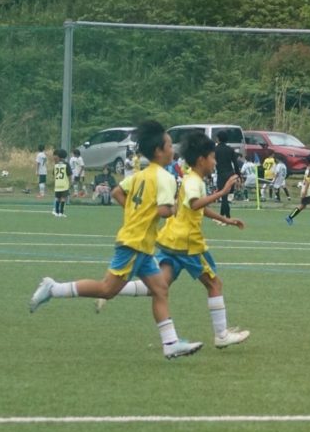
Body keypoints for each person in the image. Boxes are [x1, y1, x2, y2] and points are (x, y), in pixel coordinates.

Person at [28, 120, 204, 360]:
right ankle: (53, 288)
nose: (172, 150)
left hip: (139, 243)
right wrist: (174, 207)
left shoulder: (140, 175)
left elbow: (117, 192)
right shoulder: (165, 178)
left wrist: (134, 212)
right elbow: (164, 210)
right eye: (169, 145)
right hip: (135, 243)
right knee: (107, 290)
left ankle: (171, 343)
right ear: (158, 151)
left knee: (160, 289)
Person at [95, 132, 250, 348]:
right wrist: (223, 191)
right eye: (213, 158)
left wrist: (225, 219)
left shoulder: (191, 179)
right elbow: (195, 204)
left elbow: (197, 207)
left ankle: (113, 290)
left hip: (170, 239)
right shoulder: (194, 181)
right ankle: (222, 335)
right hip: (188, 243)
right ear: (201, 160)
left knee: (158, 286)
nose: (215, 162)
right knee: (214, 283)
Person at [285, 151, 310, 227]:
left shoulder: (308, 169)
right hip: (308, 191)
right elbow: (307, 181)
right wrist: (305, 191)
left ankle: (289, 217)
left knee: (303, 205)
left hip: (306, 189)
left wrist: (304, 190)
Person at [214, 130, 236, 219]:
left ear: (218, 139)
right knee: (225, 196)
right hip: (230, 173)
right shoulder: (230, 149)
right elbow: (235, 164)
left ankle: (227, 216)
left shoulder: (215, 150)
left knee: (223, 196)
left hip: (221, 174)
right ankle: (222, 215)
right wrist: (238, 175)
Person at [52, 148, 71, 217]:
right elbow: (69, 175)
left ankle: (56, 212)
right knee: (63, 198)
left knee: (57, 198)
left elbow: (54, 174)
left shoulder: (56, 165)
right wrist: (70, 182)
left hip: (57, 184)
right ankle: (61, 212)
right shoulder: (66, 164)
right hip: (64, 184)